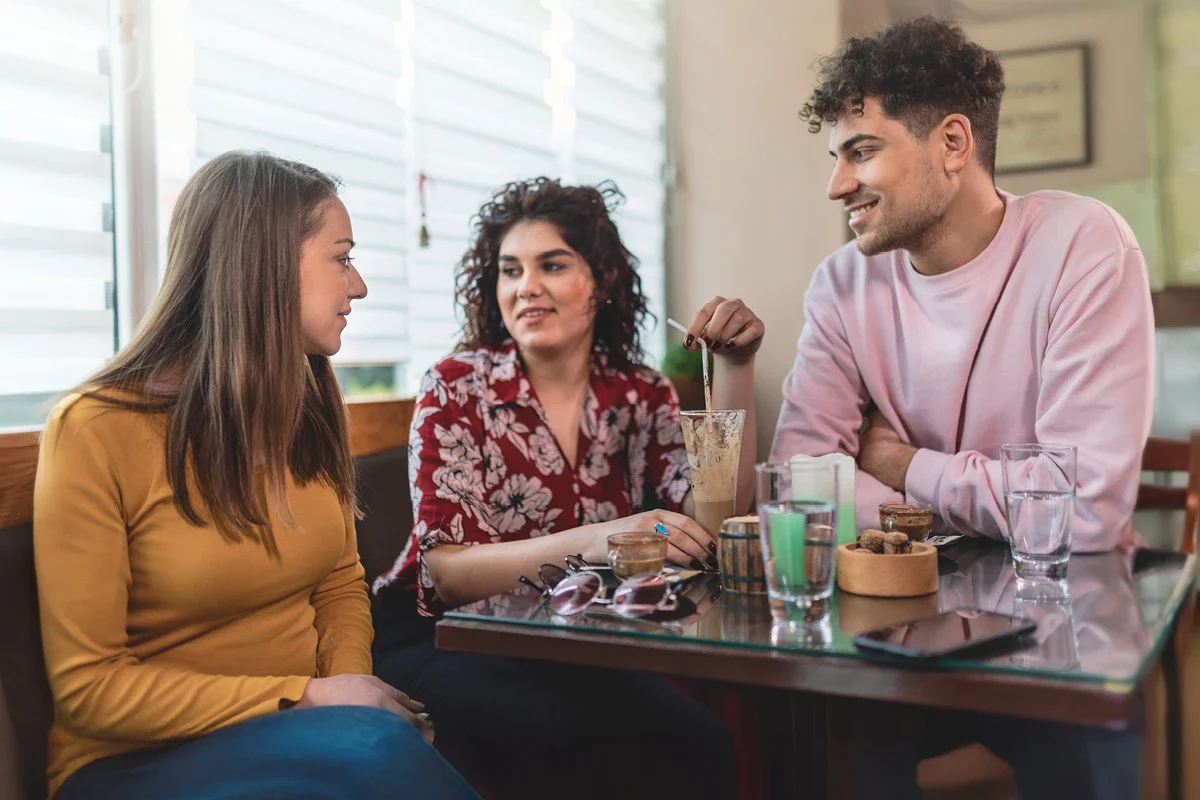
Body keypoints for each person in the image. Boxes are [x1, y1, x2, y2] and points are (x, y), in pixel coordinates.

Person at [773, 18, 1152, 799]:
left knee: (1082, 747)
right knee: (817, 738)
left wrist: (897, 462)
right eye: (835, 156)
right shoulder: (842, 285)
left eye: (862, 150)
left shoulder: (1084, 245)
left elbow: (1080, 512)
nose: (836, 185)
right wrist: (998, 498)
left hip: (1061, 621)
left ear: (953, 142)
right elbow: (797, 490)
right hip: (893, 625)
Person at [35, 150, 478, 800]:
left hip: (311, 735)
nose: (357, 286)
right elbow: (91, 691)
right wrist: (312, 699)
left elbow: (339, 586)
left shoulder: (308, 404)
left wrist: (350, 703)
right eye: (341, 257)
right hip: (135, 763)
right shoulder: (93, 429)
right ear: (264, 265)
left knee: (390, 743)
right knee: (382, 752)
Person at [373, 177, 763, 799]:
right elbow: (445, 574)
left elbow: (713, 522)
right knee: (552, 737)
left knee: (701, 742)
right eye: (509, 270)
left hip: (570, 639)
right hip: (440, 637)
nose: (526, 285)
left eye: (551, 264)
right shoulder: (453, 387)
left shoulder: (640, 394)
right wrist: (604, 540)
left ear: (602, 281)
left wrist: (736, 367)